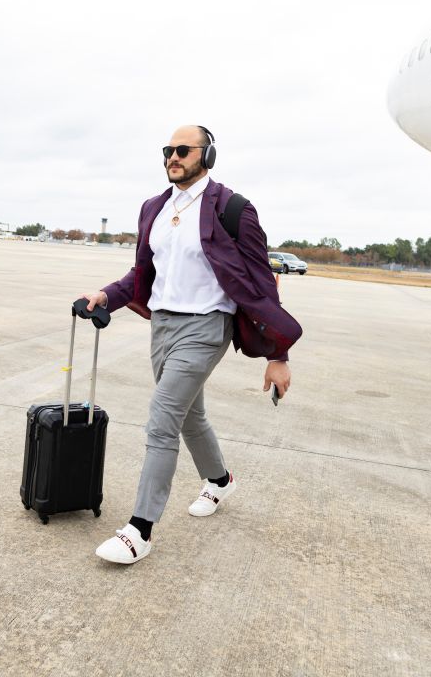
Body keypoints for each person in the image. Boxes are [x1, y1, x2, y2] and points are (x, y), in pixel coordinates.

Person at [80, 125, 302, 565]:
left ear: (208, 155)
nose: (172, 157)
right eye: (168, 150)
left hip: (207, 327)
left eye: (182, 150)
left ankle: (139, 530)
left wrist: (278, 354)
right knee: (189, 415)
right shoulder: (154, 209)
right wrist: (107, 294)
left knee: (162, 418)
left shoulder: (233, 209)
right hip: (162, 325)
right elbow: (143, 272)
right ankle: (219, 480)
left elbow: (260, 284)